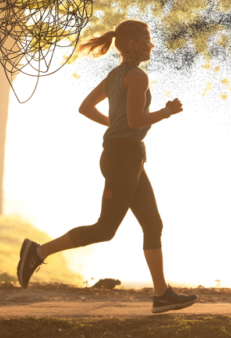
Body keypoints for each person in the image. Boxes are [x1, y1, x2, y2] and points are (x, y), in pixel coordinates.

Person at [16, 19, 198, 314]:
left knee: (152, 224)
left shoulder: (116, 75)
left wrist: (115, 124)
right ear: (135, 45)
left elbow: (86, 108)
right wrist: (166, 111)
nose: (152, 45)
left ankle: (162, 294)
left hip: (125, 155)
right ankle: (37, 252)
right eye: (148, 40)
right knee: (105, 229)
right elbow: (136, 121)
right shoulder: (137, 77)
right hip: (124, 156)